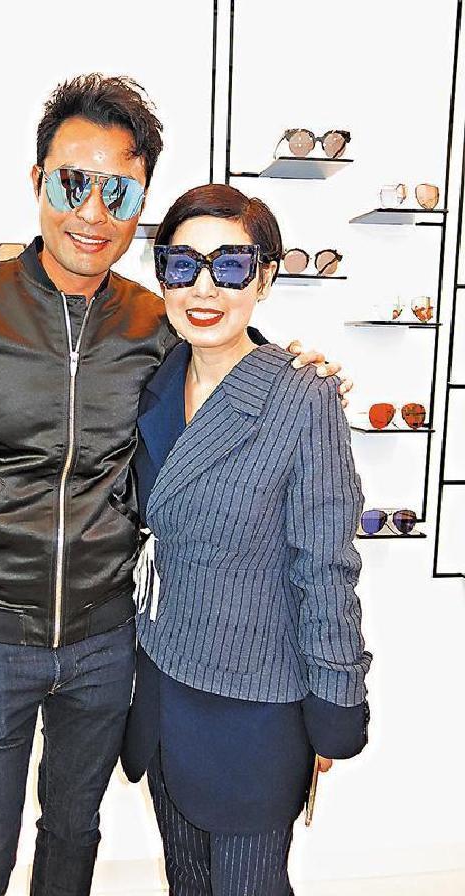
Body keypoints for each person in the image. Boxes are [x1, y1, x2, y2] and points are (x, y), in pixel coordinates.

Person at [0, 75, 351, 896]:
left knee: (74, 834)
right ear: (38, 181)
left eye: (118, 190)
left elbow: (225, 360)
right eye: (72, 183)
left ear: (140, 201)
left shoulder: (153, 321)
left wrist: (298, 366)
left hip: (105, 638)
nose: (92, 210)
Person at [121, 184, 372, 896]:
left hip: (255, 706)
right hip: (165, 685)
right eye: (182, 265)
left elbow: (325, 567)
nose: (204, 288)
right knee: (187, 884)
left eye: (230, 266)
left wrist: (335, 703)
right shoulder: (153, 383)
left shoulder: (302, 396)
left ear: (265, 278)